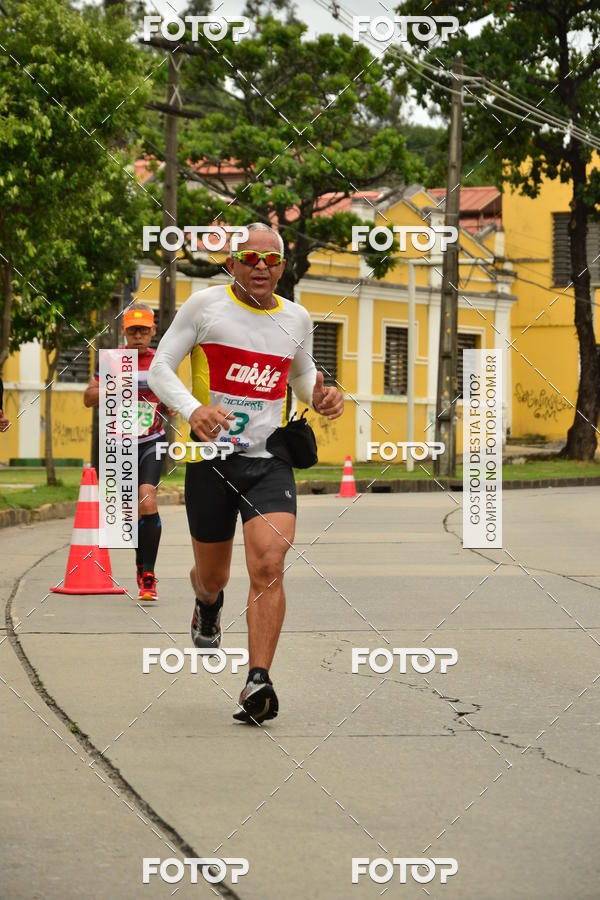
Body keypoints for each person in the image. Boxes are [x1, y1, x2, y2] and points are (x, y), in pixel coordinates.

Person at [147, 223, 344, 723]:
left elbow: (301, 374)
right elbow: (160, 368)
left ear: (282, 267)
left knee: (269, 564)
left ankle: (259, 680)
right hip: (211, 462)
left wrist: (320, 395)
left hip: (269, 461)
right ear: (232, 262)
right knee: (213, 576)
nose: (261, 267)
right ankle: (207, 603)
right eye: (251, 258)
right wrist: (193, 410)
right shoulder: (204, 307)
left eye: (271, 260)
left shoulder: (296, 317)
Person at [84, 304, 166, 601]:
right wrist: (115, 386)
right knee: (130, 513)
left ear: (153, 331)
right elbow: (88, 397)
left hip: (151, 440)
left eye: (144, 330)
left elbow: (173, 396)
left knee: (147, 497)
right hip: (119, 445)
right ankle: (141, 565)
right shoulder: (111, 359)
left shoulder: (161, 360)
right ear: (124, 332)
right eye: (133, 331)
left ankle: (149, 575)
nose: (138, 336)